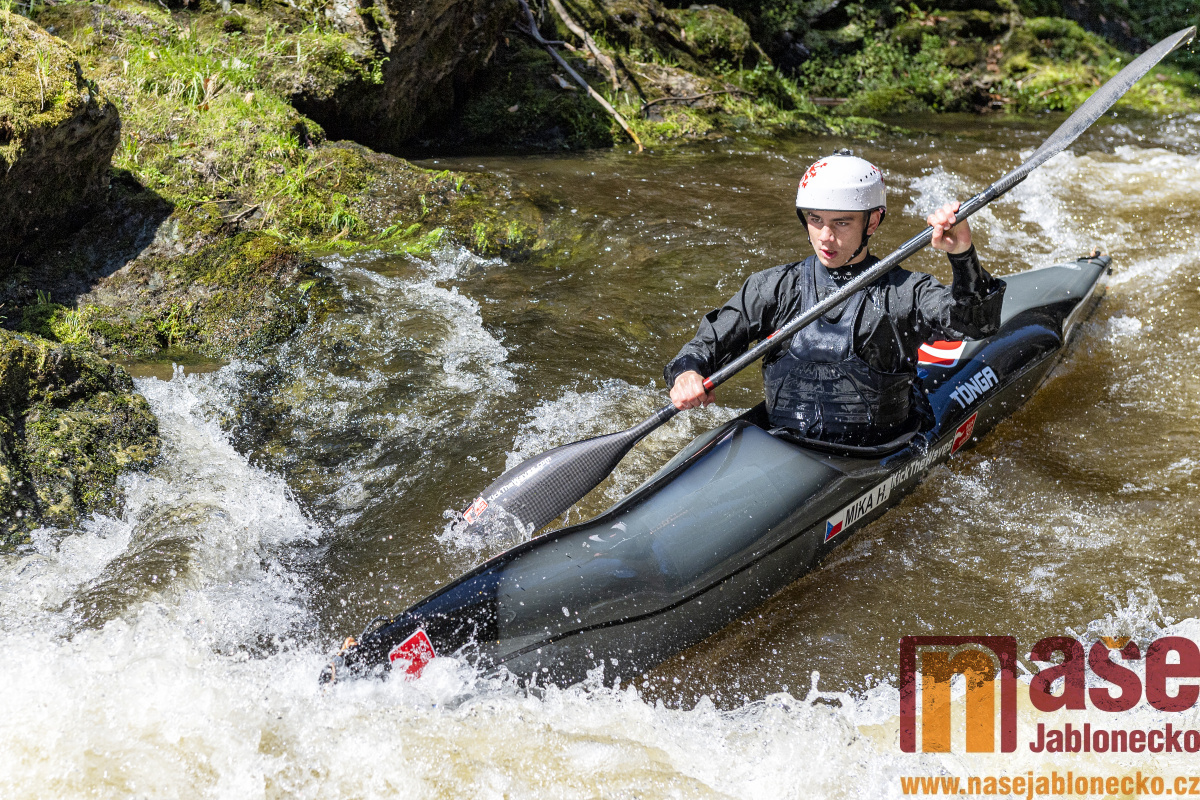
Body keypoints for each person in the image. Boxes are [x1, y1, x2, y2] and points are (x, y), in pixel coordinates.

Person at [664, 152, 1006, 449]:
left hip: (878, 451)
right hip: (785, 444)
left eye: (841, 223)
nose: (825, 237)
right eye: (816, 220)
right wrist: (687, 373)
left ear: (872, 221)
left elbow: (976, 324)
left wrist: (962, 255)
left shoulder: (904, 292)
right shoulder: (774, 288)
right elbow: (705, 346)